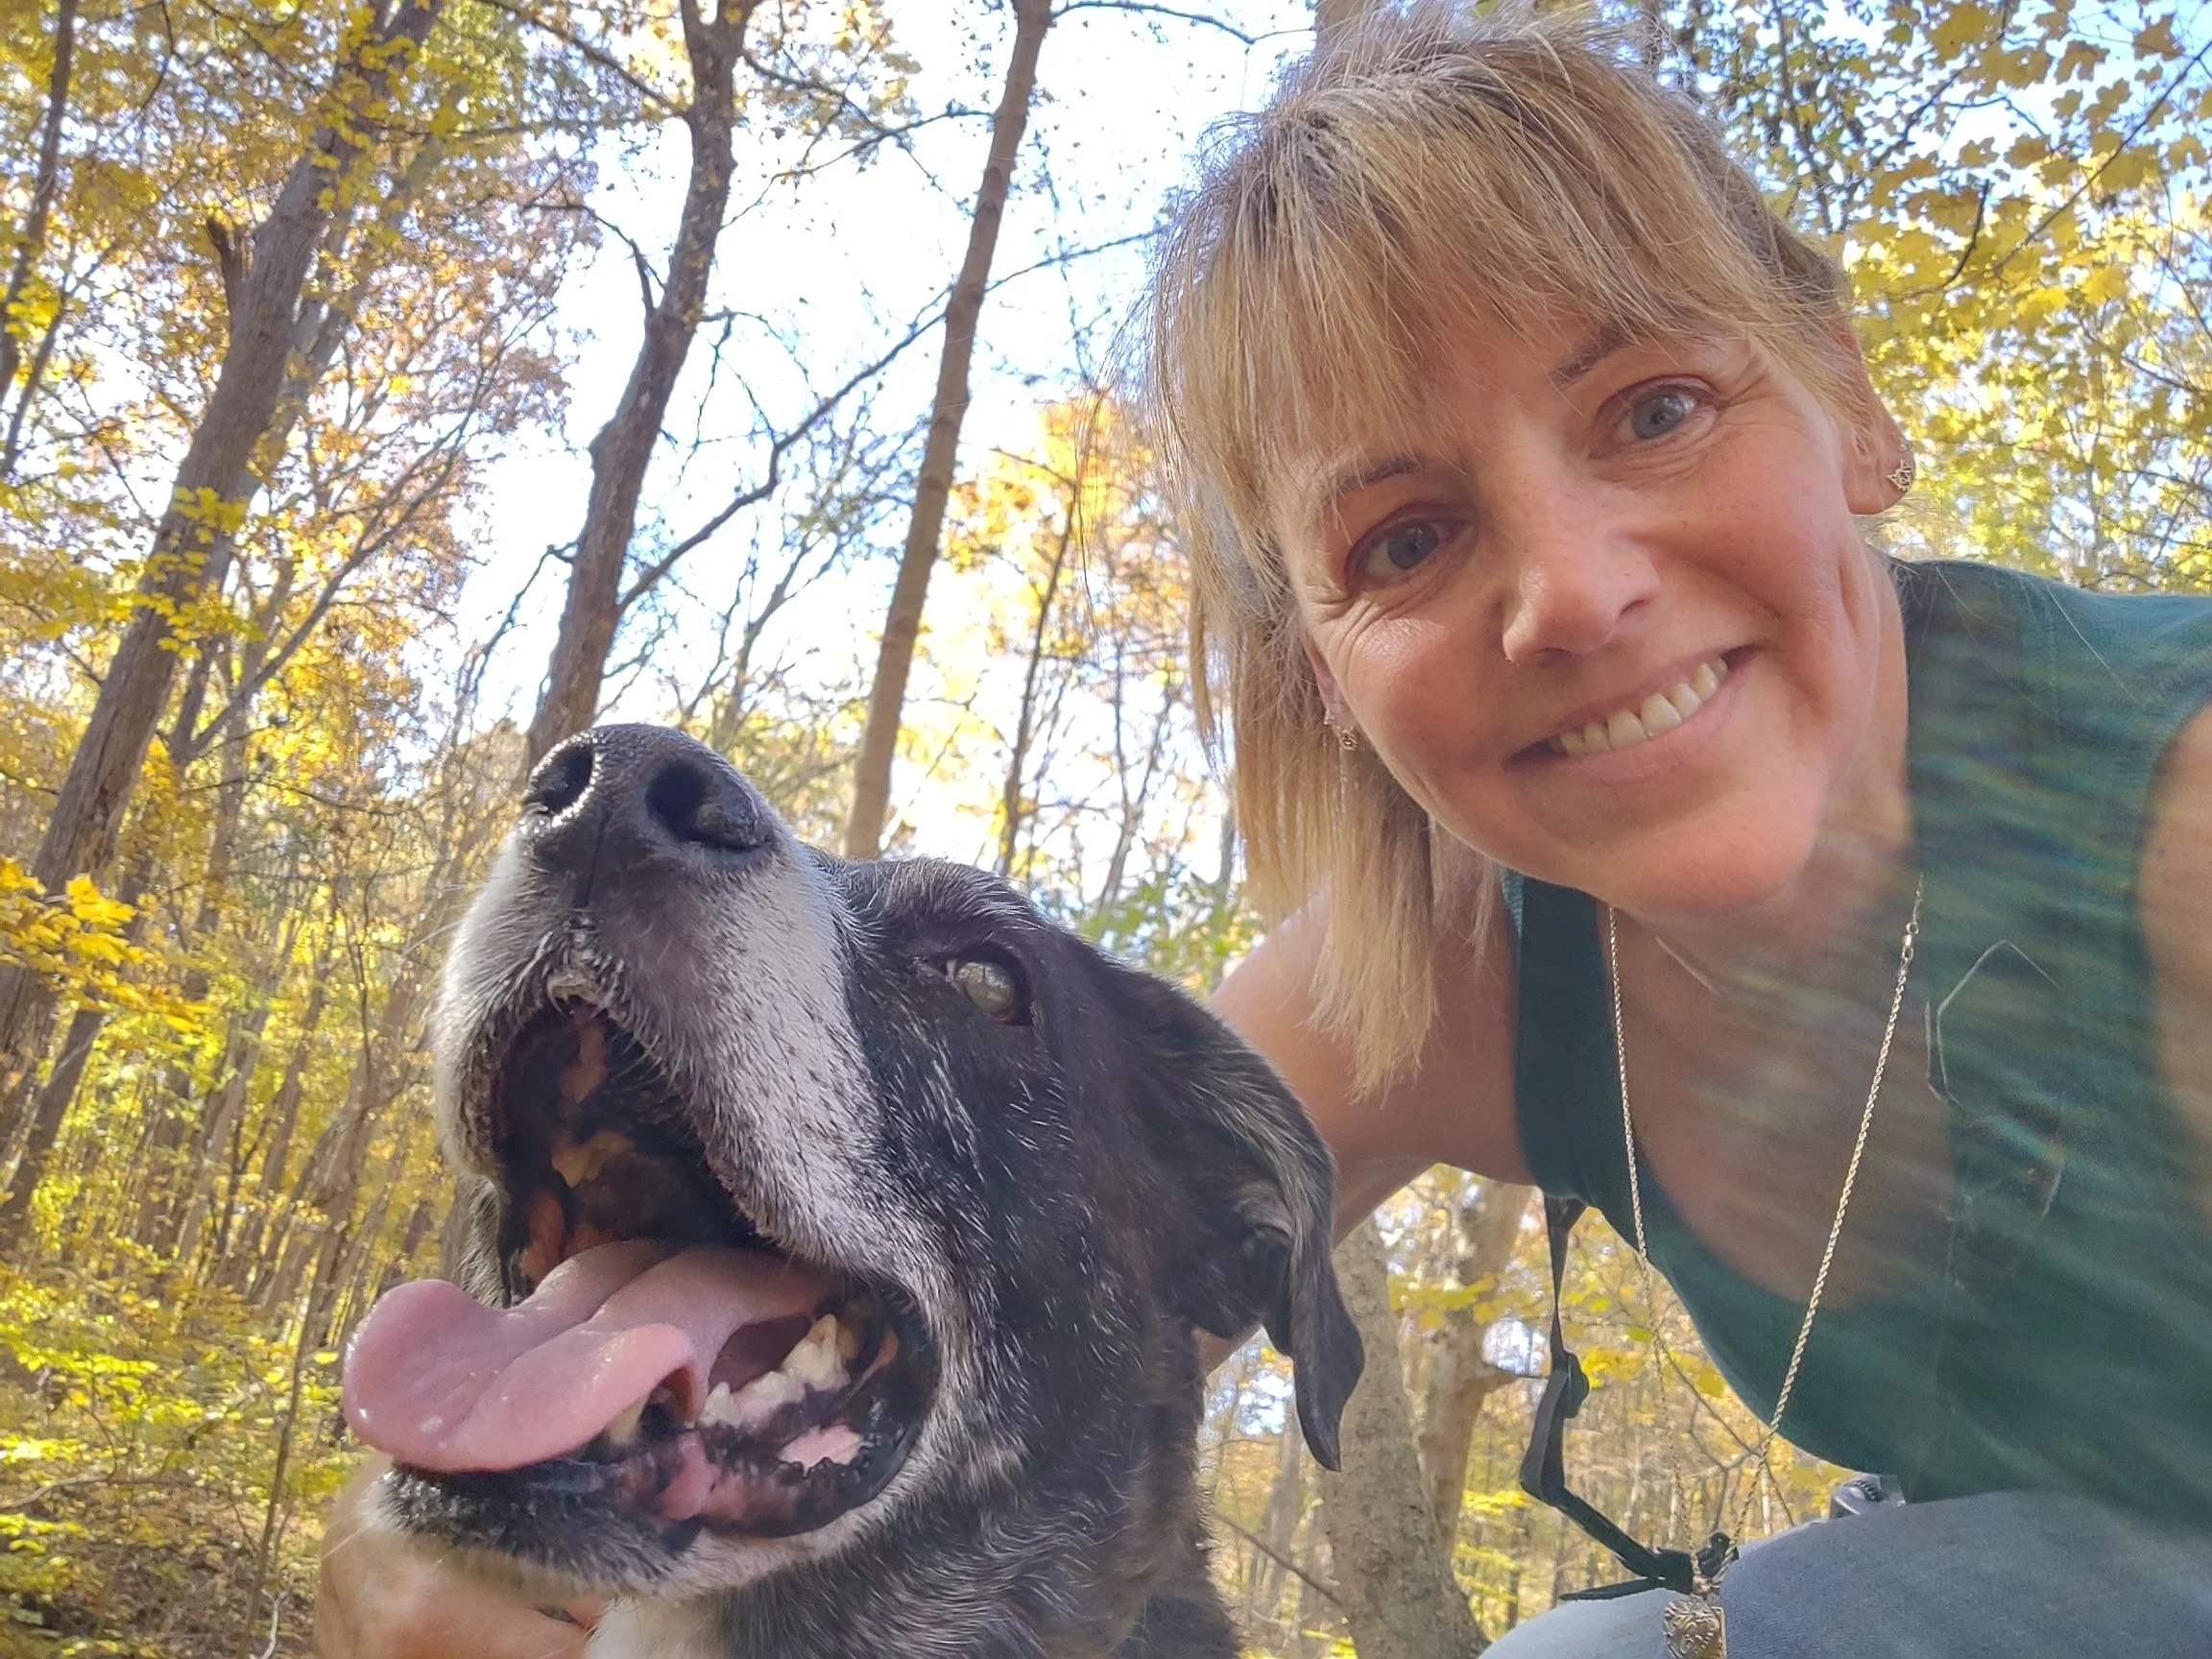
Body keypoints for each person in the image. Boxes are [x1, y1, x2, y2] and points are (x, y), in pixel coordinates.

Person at [314, 6, 2212, 1655]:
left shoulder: (2176, 824)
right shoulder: (1425, 990)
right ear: (1324, 669)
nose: (1567, 592)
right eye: (1406, 536)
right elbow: (1027, 1352)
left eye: (1657, 407)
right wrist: (569, 1449)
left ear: (1855, 407)